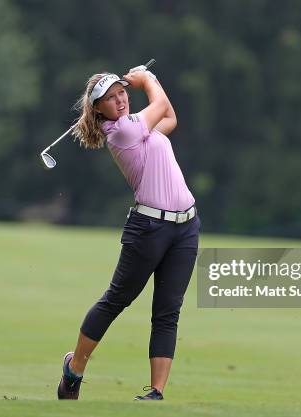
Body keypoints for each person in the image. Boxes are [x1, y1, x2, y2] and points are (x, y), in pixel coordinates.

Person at [57, 65, 200, 401]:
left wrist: (149, 85)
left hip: (186, 228)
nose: (119, 99)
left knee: (168, 309)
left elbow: (170, 117)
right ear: (99, 109)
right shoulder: (122, 132)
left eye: (122, 92)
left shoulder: (141, 127)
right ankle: (74, 368)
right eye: (110, 98)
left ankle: (156, 393)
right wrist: (146, 78)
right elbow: (162, 106)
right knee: (117, 299)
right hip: (148, 229)